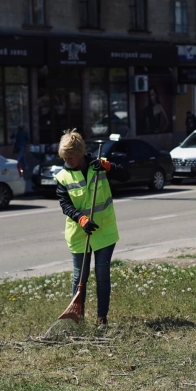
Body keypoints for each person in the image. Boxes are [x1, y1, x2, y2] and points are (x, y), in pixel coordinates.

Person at [54, 129, 124, 328]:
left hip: (104, 230)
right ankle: (78, 319)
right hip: (79, 233)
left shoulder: (99, 165)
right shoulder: (62, 177)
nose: (68, 161)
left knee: (102, 274)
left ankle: (102, 319)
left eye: (71, 157)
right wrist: (81, 219)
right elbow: (65, 205)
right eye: (64, 157)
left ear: (81, 153)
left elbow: (125, 175)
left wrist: (109, 167)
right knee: (79, 278)